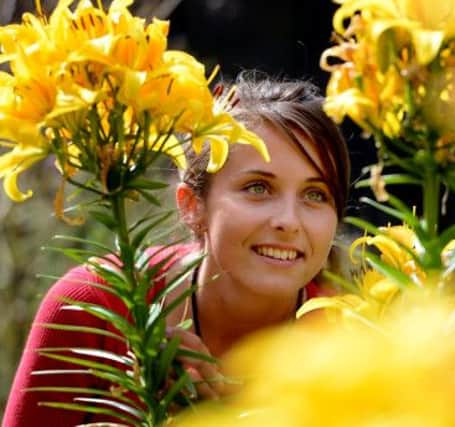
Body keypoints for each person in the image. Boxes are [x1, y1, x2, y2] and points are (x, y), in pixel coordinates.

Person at [3, 74, 351, 426]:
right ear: (191, 205)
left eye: (316, 195)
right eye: (258, 187)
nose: (289, 221)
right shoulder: (90, 308)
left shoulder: (354, 342)